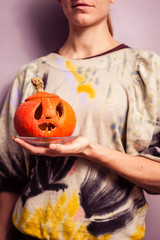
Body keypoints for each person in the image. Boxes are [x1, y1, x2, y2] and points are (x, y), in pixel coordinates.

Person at [0, 0, 160, 239]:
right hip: (31, 232)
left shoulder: (145, 68)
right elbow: (10, 175)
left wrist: (89, 150)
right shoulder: (31, 74)